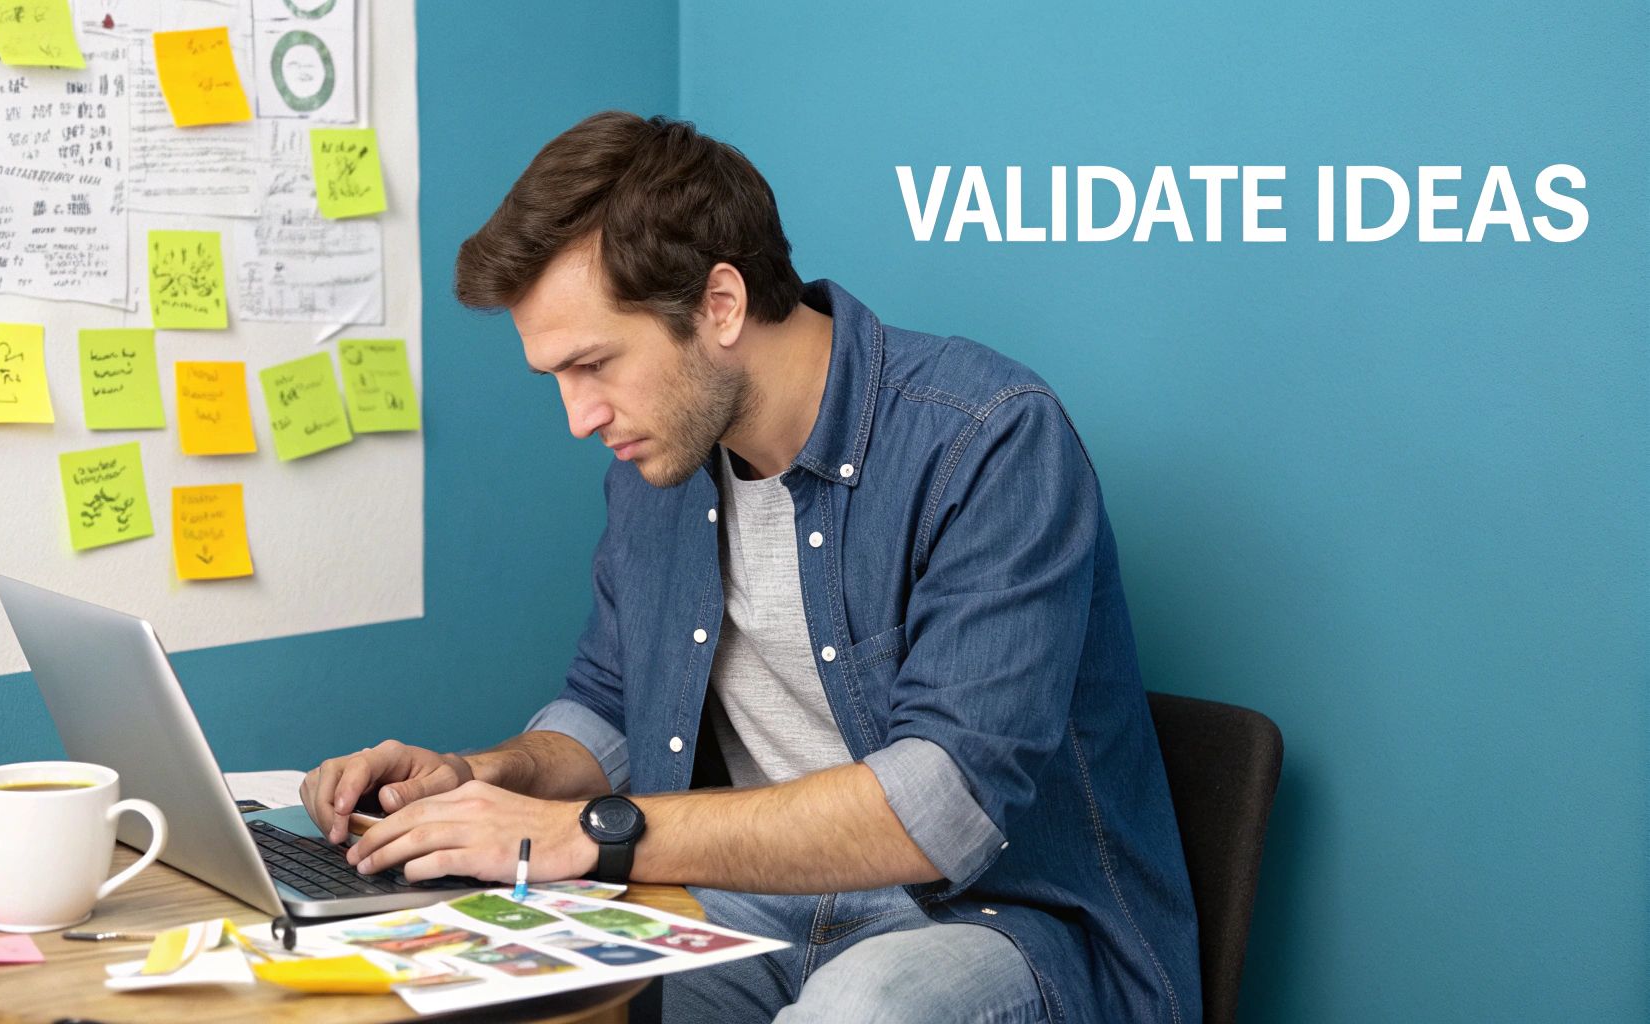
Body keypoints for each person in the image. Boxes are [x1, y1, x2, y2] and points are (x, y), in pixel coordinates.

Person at [301, 111, 1200, 1024]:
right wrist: (482, 777)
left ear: (719, 305)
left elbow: (937, 809)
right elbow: (611, 710)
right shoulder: (661, 463)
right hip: (752, 908)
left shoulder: (987, 438)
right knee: (478, 990)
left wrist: (581, 834)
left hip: (997, 923)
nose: (580, 416)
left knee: (861, 1010)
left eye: (595, 364)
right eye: (558, 379)